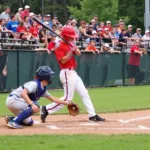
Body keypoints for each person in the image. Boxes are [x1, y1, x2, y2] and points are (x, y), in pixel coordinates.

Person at [40, 26, 105, 122]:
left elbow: (78, 53)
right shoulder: (59, 46)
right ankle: (46, 109)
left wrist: (74, 46)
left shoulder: (70, 43)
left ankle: (92, 115)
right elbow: (62, 61)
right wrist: (70, 52)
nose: (73, 38)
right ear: (65, 36)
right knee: (68, 98)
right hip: (66, 72)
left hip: (73, 72)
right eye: (70, 37)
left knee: (84, 93)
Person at [5, 66, 73, 129]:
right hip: (13, 100)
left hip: (17, 103)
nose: (51, 77)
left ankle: (11, 119)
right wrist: (32, 104)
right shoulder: (34, 84)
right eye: (49, 75)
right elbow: (23, 93)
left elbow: (53, 98)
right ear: (45, 76)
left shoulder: (42, 88)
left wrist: (66, 103)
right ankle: (13, 122)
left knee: (29, 123)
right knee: (36, 105)